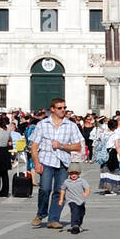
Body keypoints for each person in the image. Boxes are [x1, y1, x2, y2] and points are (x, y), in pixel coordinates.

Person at [29, 98, 84, 229]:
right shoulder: (43, 124)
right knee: (44, 189)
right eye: (60, 108)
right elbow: (33, 146)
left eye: (64, 108)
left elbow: (78, 146)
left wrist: (62, 146)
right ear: (52, 109)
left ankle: (53, 219)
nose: (63, 110)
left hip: (64, 162)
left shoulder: (71, 125)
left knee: (60, 191)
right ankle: (41, 213)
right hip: (46, 160)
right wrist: (36, 163)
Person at [58, 163, 91, 234]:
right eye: (71, 173)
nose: (73, 175)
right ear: (69, 173)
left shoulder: (82, 181)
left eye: (75, 173)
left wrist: (86, 193)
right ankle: (74, 226)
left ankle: (78, 224)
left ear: (79, 173)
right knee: (75, 211)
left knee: (81, 213)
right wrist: (61, 199)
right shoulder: (66, 182)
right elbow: (62, 190)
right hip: (71, 200)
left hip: (81, 201)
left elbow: (87, 188)